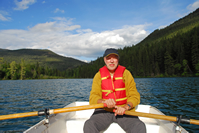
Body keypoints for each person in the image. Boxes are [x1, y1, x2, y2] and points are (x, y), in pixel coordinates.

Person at [83, 48, 146, 133]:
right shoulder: (98, 76)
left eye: (114, 58)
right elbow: (93, 97)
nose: (111, 61)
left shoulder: (126, 74)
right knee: (89, 124)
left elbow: (134, 96)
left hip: (124, 110)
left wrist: (126, 107)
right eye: (109, 58)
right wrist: (104, 102)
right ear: (105, 60)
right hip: (104, 111)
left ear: (118, 60)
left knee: (139, 126)